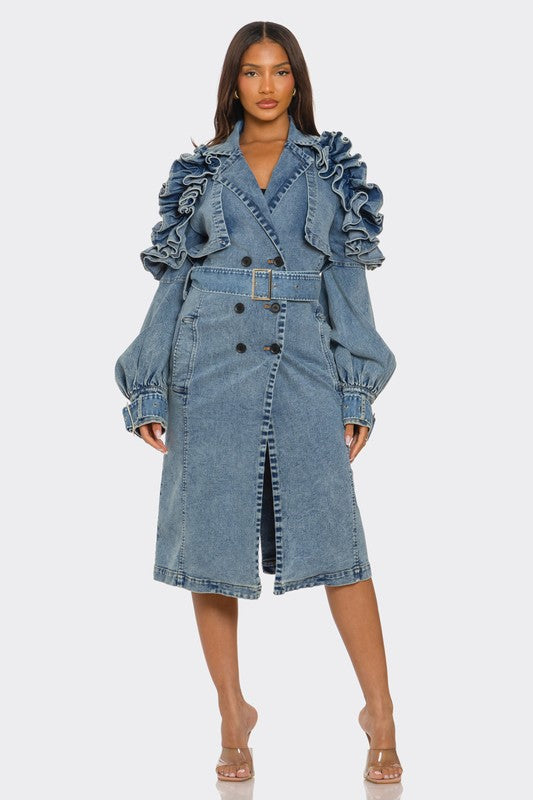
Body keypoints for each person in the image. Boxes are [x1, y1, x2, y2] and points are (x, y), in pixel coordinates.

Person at [114, 20, 403, 785]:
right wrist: (148, 382)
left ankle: (380, 713)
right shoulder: (201, 171)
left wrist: (355, 387)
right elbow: (173, 281)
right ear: (233, 83)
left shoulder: (330, 169)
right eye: (251, 71)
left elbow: (347, 282)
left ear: (296, 81)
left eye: (278, 71)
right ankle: (230, 714)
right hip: (205, 362)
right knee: (211, 548)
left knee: (338, 543)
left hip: (302, 360)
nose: (266, 85)